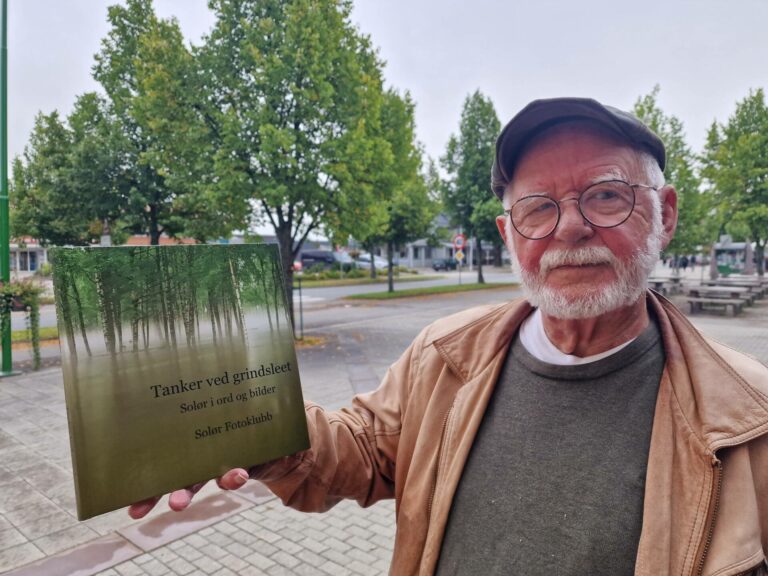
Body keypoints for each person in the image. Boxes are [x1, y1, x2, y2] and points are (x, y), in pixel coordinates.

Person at [131, 98, 768, 575]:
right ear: (506, 233)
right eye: (537, 207)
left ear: (667, 214)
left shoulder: (751, 421)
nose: (569, 227)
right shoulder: (445, 354)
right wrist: (247, 429)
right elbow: (360, 452)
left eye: (607, 196)